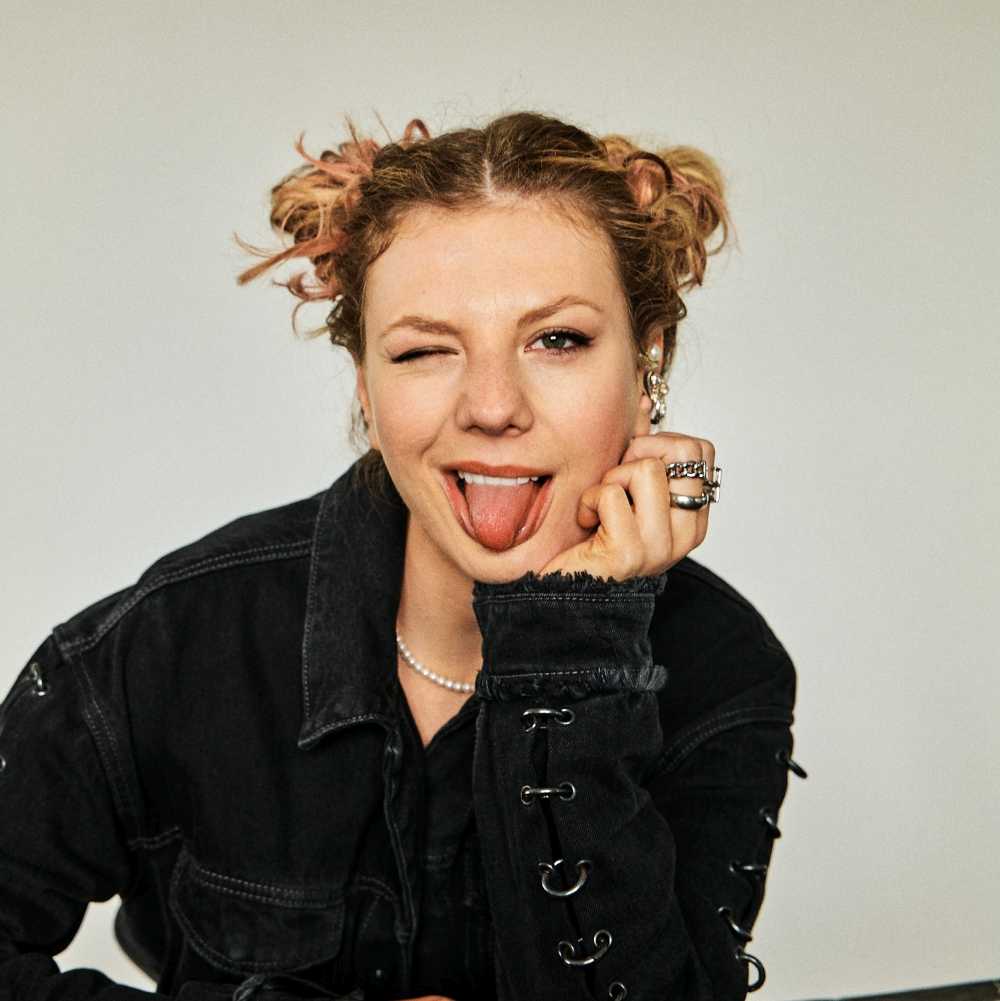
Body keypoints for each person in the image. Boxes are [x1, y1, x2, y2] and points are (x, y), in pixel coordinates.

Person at [0, 110, 804, 1001]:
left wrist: (570, 647)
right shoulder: (175, 638)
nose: (492, 406)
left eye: (557, 340)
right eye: (424, 350)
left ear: (646, 362)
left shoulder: (724, 672)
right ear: (365, 386)